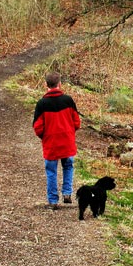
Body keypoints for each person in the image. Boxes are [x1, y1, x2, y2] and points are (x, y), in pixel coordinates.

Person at [33, 71, 81, 210]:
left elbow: (38, 128)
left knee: (51, 171)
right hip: (67, 142)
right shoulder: (68, 100)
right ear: (60, 84)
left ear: (45, 85)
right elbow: (77, 122)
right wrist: (69, 132)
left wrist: (45, 136)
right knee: (68, 166)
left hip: (51, 144)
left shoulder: (41, 104)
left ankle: (53, 201)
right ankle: (67, 193)